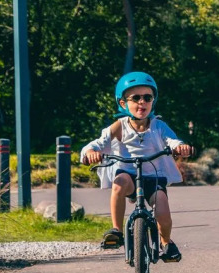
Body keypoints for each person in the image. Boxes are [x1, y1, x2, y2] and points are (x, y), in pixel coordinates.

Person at [80, 72, 195, 260]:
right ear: (123, 103)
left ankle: (166, 242)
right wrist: (90, 152)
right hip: (129, 177)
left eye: (147, 98)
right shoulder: (119, 126)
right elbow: (98, 143)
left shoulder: (158, 126)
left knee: (162, 208)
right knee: (119, 182)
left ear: (153, 101)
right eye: (136, 98)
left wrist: (179, 147)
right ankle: (117, 231)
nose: (142, 102)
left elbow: (172, 141)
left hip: (153, 178)